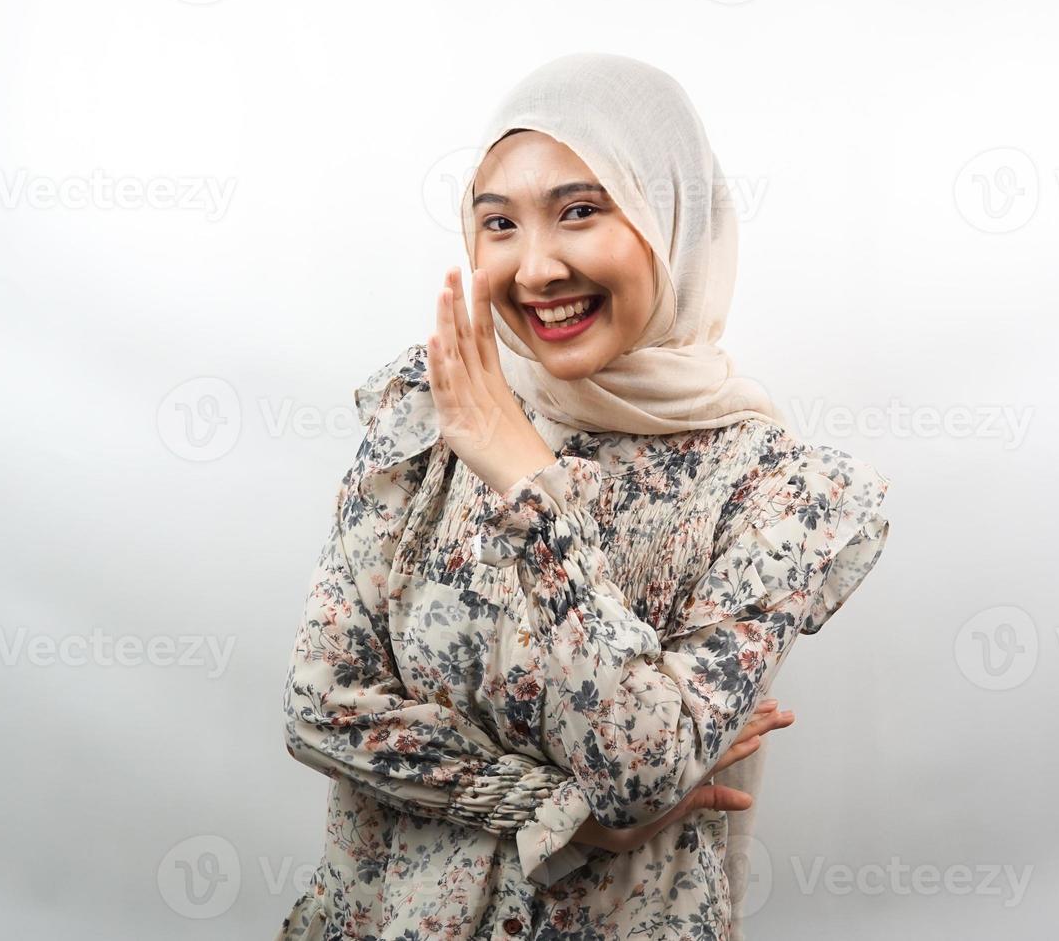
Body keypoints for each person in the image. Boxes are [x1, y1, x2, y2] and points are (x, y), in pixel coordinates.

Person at [277, 52, 892, 941]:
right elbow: (320, 704)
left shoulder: (777, 492)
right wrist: (556, 816)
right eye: (498, 223)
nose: (535, 270)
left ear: (671, 218)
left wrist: (528, 481)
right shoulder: (434, 405)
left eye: (579, 211)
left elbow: (641, 770)